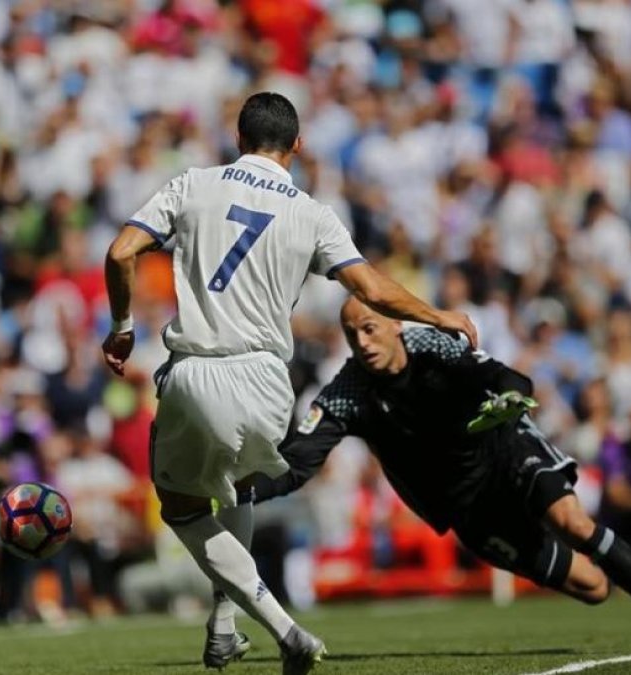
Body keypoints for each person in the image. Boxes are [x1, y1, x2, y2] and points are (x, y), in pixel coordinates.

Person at [101, 92, 476, 673]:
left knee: (181, 507)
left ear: (238, 140)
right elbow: (373, 292)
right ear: (297, 146)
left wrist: (122, 328)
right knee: (240, 486)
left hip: (200, 370)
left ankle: (284, 628)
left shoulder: (193, 184)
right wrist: (441, 315)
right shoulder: (313, 212)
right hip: (271, 381)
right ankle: (224, 625)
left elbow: (122, 251)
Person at [253, 297, 631, 651]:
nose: (363, 343)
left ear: (396, 323)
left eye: (370, 328)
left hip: (506, 451)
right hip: (468, 506)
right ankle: (622, 571)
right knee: (593, 588)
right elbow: (295, 465)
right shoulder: (347, 393)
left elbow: (510, 379)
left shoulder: (431, 345)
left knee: (573, 523)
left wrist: (507, 400)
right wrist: (237, 492)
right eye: (353, 335)